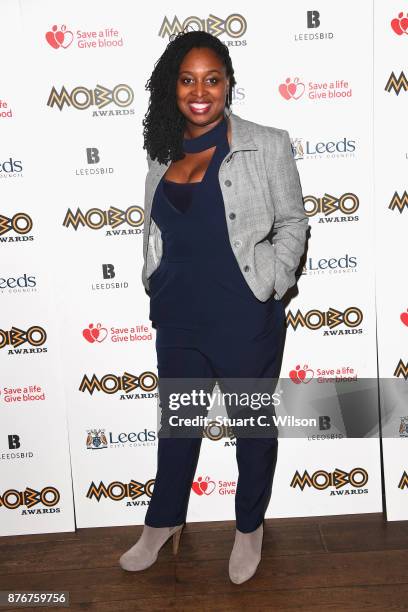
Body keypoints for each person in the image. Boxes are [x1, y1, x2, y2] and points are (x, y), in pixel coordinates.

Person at [119, 28, 309, 584]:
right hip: (177, 312)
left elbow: (293, 221)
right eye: (187, 79)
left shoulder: (265, 143)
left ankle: (249, 527)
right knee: (178, 423)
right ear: (171, 87)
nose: (199, 91)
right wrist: (152, 276)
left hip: (242, 312)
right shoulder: (163, 150)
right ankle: (163, 522)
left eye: (212, 79)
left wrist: (273, 281)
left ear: (228, 83)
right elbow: (157, 227)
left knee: (251, 423)